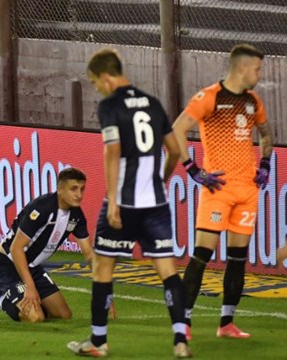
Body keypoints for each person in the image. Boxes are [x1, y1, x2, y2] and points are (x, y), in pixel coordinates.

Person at [67, 48, 191, 358]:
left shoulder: (110, 106)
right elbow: (174, 151)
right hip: (156, 204)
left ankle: (98, 342)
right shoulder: (153, 103)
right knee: (168, 270)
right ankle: (180, 341)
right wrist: (161, 181)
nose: (97, 88)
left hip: (123, 202)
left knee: (103, 268)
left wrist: (113, 201)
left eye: (96, 82)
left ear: (107, 77)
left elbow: (112, 152)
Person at [171, 44, 273, 340]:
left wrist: (265, 163)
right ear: (242, 68)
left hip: (247, 191)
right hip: (218, 189)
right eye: (257, 68)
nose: (259, 74)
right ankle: (184, 322)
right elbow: (177, 129)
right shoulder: (210, 97)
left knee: (238, 257)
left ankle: (226, 323)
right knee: (202, 254)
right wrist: (192, 169)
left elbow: (266, 134)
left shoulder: (254, 101)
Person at [0, 167, 93, 323]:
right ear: (60, 189)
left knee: (63, 315)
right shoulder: (42, 208)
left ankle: (23, 300)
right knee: (35, 317)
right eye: (73, 189)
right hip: (7, 263)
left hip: (31, 266)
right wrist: (30, 287)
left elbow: (89, 254)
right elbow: (16, 248)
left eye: (82, 189)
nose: (79, 195)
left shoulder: (76, 216)